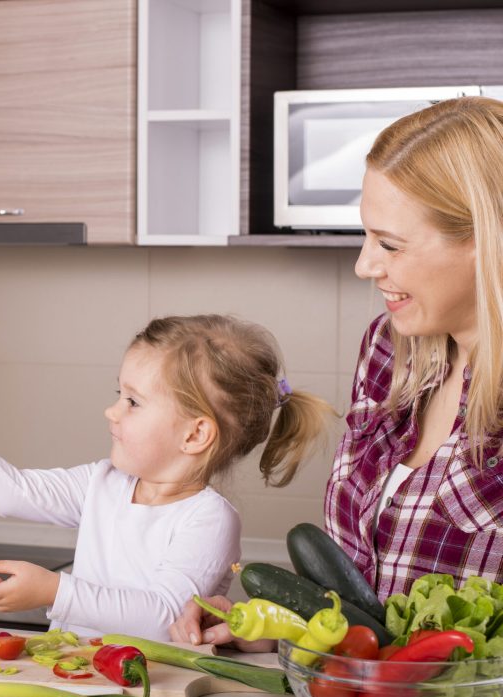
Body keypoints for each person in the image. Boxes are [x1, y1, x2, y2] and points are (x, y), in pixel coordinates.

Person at [171, 95, 503, 647]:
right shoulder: (391, 350)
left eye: (389, 244)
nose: (364, 264)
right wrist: (270, 626)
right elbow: (358, 599)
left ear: (484, 241)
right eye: (367, 235)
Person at [0, 314, 333, 640]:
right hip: (75, 678)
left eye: (133, 401)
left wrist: (55, 591)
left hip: (150, 693)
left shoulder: (208, 519)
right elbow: (11, 492)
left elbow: (164, 618)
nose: (112, 410)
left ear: (195, 435)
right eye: (119, 393)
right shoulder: (103, 483)